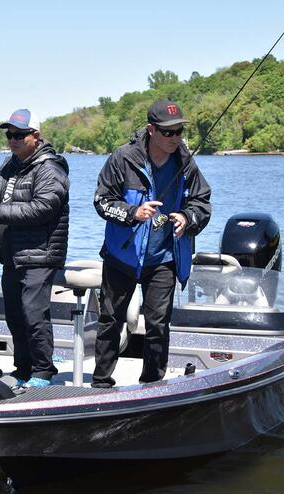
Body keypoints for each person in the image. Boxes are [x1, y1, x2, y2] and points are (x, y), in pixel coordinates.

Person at [91, 99, 211, 388]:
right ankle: (101, 382)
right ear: (151, 130)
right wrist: (133, 213)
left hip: (164, 258)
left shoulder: (186, 163)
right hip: (122, 257)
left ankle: (152, 384)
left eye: (179, 131)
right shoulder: (123, 159)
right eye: (167, 132)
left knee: (158, 324)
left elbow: (202, 203)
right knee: (111, 319)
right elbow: (102, 201)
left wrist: (187, 217)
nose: (174, 138)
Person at [0, 109, 70, 388]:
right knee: (14, 314)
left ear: (34, 136)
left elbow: (44, 207)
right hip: (12, 253)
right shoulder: (8, 166)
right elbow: (0, 200)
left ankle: (43, 371)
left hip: (40, 253)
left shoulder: (51, 168)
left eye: (19, 135)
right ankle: (23, 368)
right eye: (9, 134)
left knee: (33, 313)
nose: (12, 139)